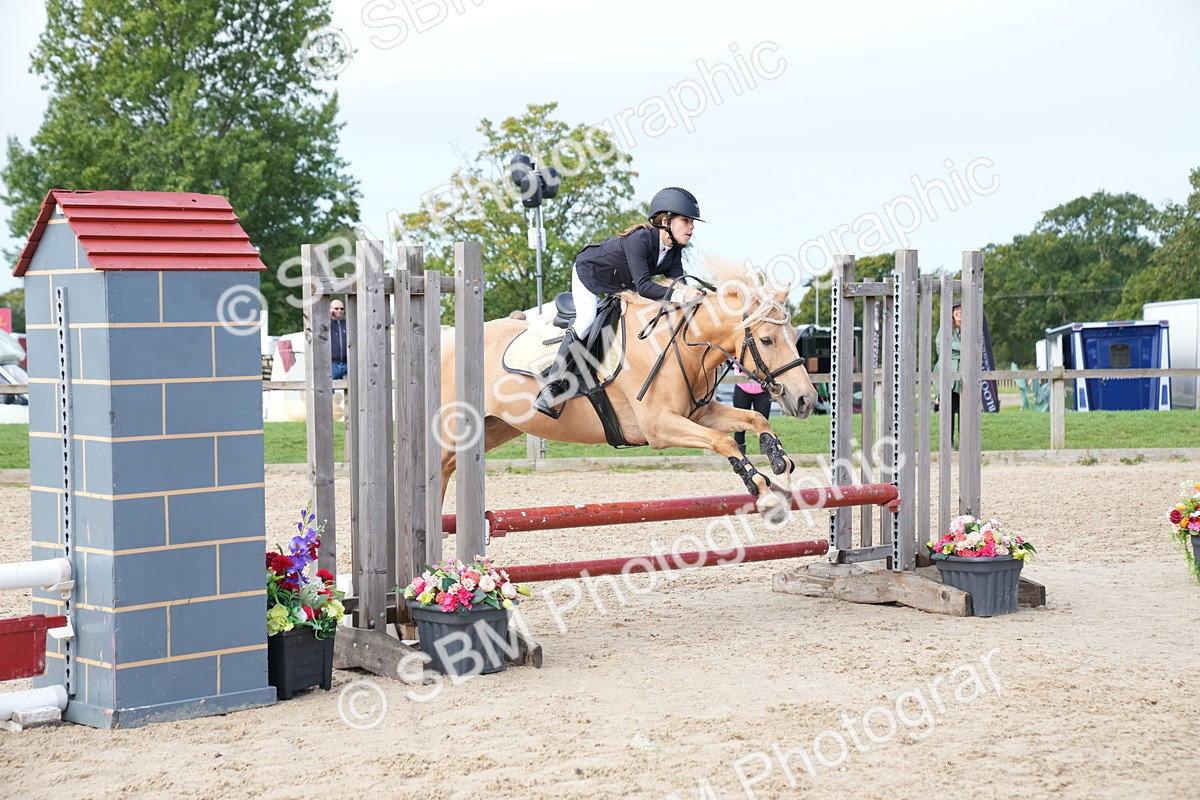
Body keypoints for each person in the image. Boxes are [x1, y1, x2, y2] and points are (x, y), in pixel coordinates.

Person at [534, 186, 705, 416]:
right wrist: (682, 295)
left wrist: (699, 297)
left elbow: (678, 285)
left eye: (692, 222)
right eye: (686, 220)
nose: (691, 227)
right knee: (586, 321)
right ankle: (550, 387)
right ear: (666, 221)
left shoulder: (674, 249)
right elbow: (645, 287)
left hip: (622, 285)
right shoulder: (641, 239)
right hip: (590, 274)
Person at [934, 300, 962, 446]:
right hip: (948, 374)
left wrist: (952, 347)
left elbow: (975, 346)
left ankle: (964, 442)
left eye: (961, 309)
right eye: (956, 309)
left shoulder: (970, 327)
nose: (959, 312)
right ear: (951, 313)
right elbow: (941, 347)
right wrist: (962, 347)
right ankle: (948, 443)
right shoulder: (945, 328)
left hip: (964, 375)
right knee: (948, 411)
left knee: (964, 412)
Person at [730, 362, 771, 455]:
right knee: (739, 426)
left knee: (764, 425)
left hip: (762, 390)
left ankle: (766, 456)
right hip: (742, 389)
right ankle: (739, 457)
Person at [330, 299, 348, 380]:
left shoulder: (348, 324)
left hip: (347, 363)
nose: (339, 310)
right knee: (328, 389)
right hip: (332, 364)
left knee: (351, 390)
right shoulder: (326, 324)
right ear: (330, 309)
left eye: (342, 308)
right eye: (336, 308)